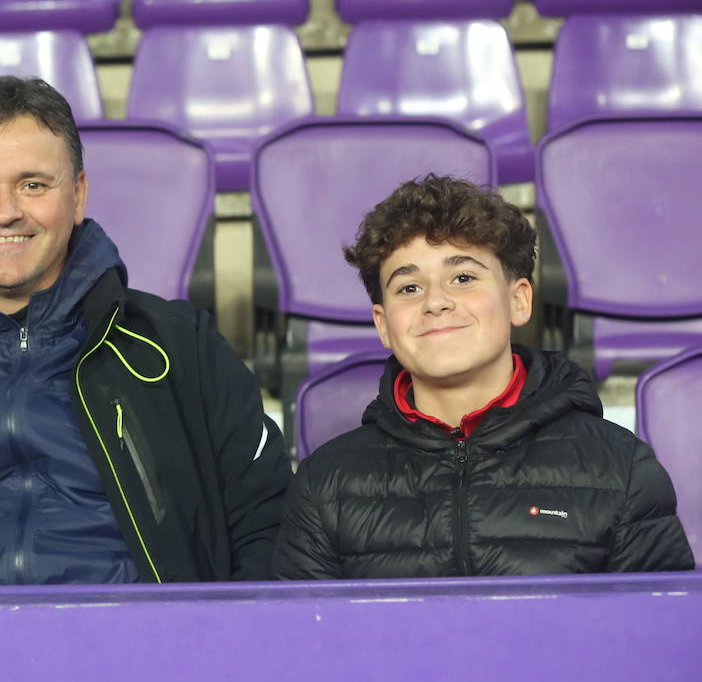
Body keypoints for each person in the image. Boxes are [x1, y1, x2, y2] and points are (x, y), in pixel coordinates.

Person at [0, 76, 290, 586]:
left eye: (33, 185)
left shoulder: (181, 350)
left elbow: (265, 529)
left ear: (79, 195)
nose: (4, 212)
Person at [273, 175, 694, 579]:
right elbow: (303, 645)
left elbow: (655, 636)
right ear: (383, 326)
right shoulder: (324, 484)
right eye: (409, 288)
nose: (436, 301)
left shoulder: (620, 468)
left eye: (463, 278)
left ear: (519, 300)